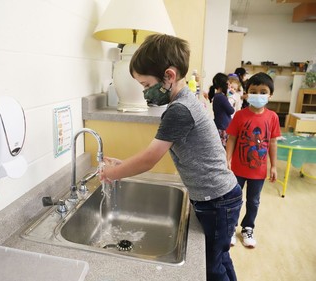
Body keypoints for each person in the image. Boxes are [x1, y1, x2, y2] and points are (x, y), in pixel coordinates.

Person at [100, 34, 242, 281]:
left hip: (217, 201)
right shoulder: (184, 101)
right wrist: (123, 166)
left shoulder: (179, 110)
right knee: (220, 259)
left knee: (212, 267)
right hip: (220, 197)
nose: (145, 92)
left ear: (169, 75)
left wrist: (111, 173)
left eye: (145, 85)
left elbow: (149, 159)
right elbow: (152, 152)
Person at [226, 72, 281, 248]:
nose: (258, 95)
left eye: (263, 91)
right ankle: (231, 227)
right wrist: (226, 160)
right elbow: (232, 138)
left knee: (254, 201)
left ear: (270, 95)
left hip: (258, 170)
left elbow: (272, 142)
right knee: (234, 199)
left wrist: (273, 166)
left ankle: (248, 227)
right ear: (247, 93)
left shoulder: (272, 117)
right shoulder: (240, 115)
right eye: (253, 91)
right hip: (237, 169)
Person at [208, 73, 235, 148]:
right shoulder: (221, 97)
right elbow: (231, 110)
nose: (229, 86)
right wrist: (231, 99)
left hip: (220, 125)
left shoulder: (218, 96)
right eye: (228, 84)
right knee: (223, 148)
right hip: (223, 127)